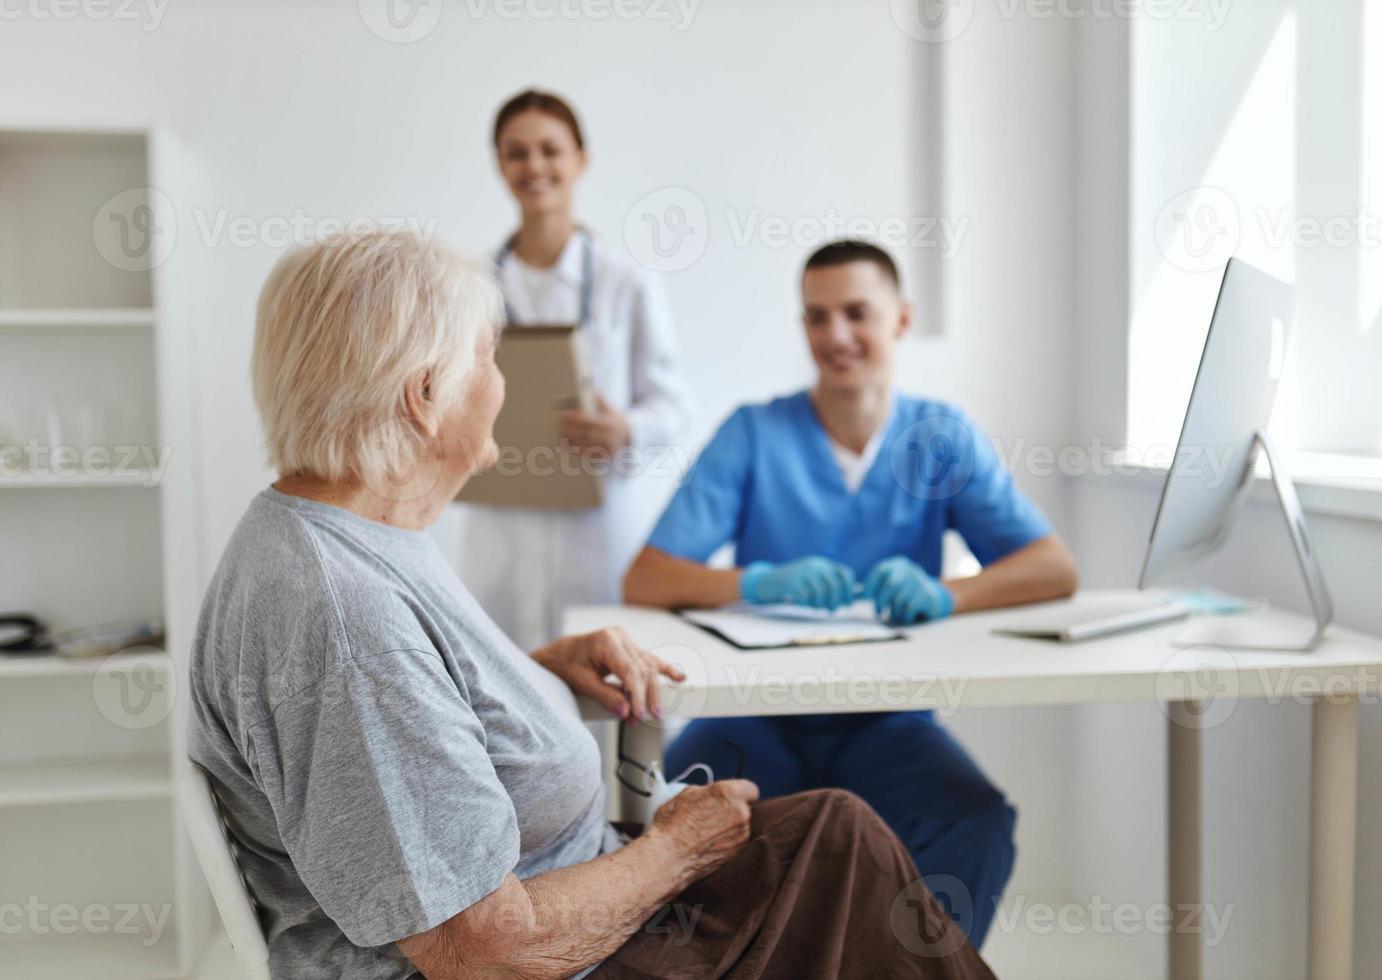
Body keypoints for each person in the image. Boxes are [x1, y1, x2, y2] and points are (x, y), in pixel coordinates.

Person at [188, 228, 998, 980]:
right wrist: (675, 853)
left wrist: (532, 675)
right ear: (426, 395)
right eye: (491, 357)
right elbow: (484, 951)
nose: (507, 386)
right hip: (559, 961)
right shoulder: (343, 614)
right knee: (837, 846)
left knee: (831, 833)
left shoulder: (336, 539)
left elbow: (407, 718)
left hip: (578, 912)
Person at [623, 239, 1079, 948]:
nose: (835, 336)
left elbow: (1052, 567)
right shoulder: (754, 434)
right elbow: (647, 576)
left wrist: (948, 594)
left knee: (976, 822)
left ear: (901, 319)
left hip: (886, 722)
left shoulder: (940, 438)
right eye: (816, 317)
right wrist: (755, 581)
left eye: (856, 313)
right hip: (757, 716)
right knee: (669, 818)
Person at [451, 88, 692, 651]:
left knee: (600, 695)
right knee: (497, 677)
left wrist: (625, 429)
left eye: (550, 150)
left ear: (581, 160)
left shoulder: (625, 281)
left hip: (595, 531)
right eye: (516, 153)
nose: (534, 166)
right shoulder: (468, 285)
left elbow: (675, 406)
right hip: (497, 528)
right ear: (499, 164)